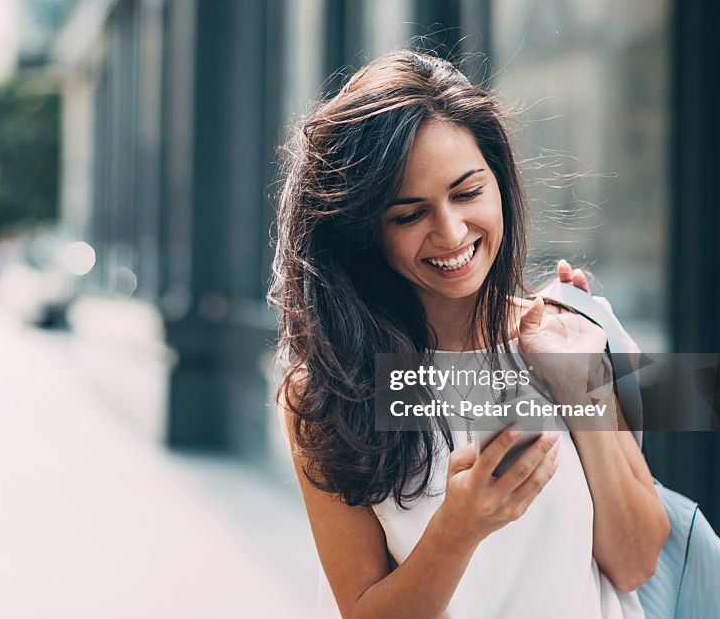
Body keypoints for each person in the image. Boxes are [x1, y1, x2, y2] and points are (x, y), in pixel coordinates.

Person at [269, 50, 669, 619]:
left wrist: (583, 387)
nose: (452, 233)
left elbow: (635, 562)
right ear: (364, 232)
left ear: (499, 181)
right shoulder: (330, 389)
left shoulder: (572, 331)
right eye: (409, 215)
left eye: (467, 192)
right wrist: (459, 528)